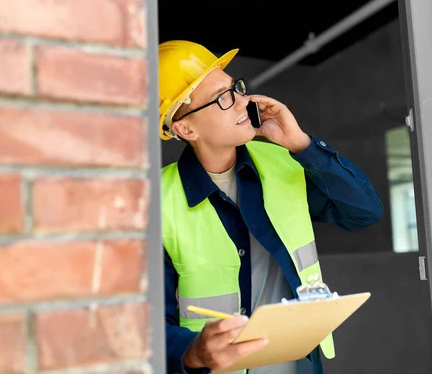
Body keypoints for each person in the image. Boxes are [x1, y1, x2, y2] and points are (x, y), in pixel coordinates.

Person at [159, 40, 383, 374]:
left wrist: (302, 145)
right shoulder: (156, 202)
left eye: (234, 88)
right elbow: (144, 323)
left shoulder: (283, 162)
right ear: (185, 128)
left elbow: (363, 210)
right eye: (222, 98)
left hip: (300, 365)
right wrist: (193, 352)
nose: (242, 101)